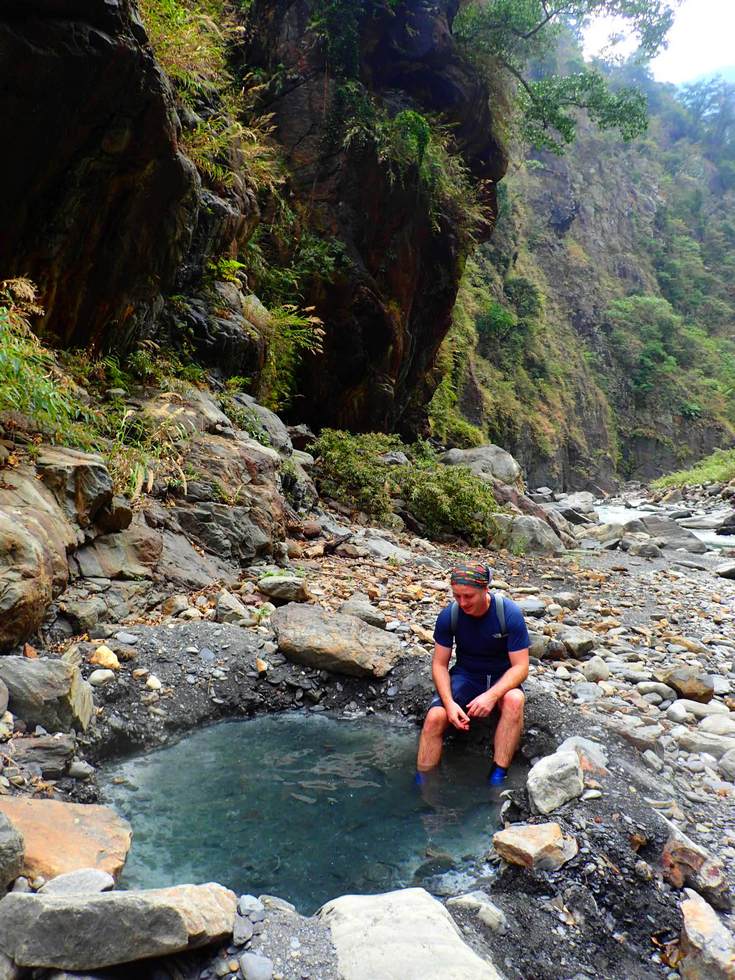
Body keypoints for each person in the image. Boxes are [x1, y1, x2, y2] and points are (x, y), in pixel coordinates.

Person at [416, 561, 530, 786]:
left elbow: (521, 667)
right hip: (467, 676)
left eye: (468, 596)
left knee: (514, 700)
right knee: (434, 717)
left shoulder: (509, 614)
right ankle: (422, 782)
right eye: (457, 596)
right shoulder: (450, 616)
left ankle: (498, 774)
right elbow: (439, 664)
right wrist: (449, 704)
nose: (462, 602)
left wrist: (492, 696)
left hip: (500, 676)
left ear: (485, 589)